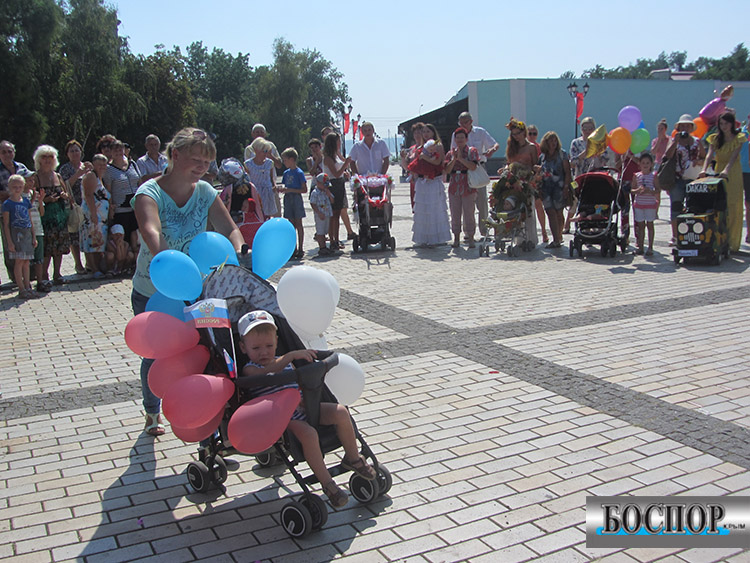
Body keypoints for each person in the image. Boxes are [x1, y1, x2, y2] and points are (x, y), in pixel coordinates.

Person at [132, 127, 243, 436]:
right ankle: (152, 411)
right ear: (176, 155)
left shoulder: (205, 191)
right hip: (153, 291)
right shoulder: (149, 193)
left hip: (197, 291)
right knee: (156, 355)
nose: (201, 168)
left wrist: (239, 251)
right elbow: (151, 231)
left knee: (206, 354)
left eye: (206, 162)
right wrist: (169, 265)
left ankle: (207, 435)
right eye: (196, 160)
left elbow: (229, 229)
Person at [237, 309, 375, 507]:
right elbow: (270, 370)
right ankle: (328, 484)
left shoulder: (286, 363)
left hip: (303, 408)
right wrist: (290, 356)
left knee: (340, 412)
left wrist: (302, 395)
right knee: (309, 434)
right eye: (256, 348)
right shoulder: (250, 369)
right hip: (281, 419)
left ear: (276, 341)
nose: (264, 352)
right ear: (243, 348)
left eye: (269, 346)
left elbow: (296, 384)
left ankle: (353, 458)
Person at [699, 111, 747, 253]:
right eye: (721, 123)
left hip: (733, 172)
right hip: (718, 171)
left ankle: (733, 242)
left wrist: (726, 171)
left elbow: (733, 157)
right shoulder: (715, 138)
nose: (724, 126)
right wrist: (704, 169)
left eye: (726, 123)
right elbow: (709, 155)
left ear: (732, 124)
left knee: (734, 205)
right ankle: (719, 239)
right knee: (719, 206)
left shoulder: (738, 138)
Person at [450, 112, 499, 238]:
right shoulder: (456, 134)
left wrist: (491, 150)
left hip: (478, 167)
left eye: (465, 122)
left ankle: (484, 230)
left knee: (481, 201)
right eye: (460, 123)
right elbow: (452, 151)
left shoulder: (480, 132)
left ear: (471, 121)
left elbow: (494, 144)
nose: (463, 125)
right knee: (466, 202)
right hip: (462, 170)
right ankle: (468, 232)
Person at [663, 114, 706, 246]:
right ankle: (675, 237)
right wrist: (675, 142)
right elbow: (667, 156)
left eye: (688, 126)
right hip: (677, 180)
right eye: (683, 126)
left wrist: (699, 162)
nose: (685, 128)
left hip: (693, 179)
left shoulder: (697, 141)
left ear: (691, 128)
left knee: (694, 208)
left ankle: (694, 234)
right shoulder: (674, 141)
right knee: (676, 207)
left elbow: (704, 158)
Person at [31, 145, 70, 287]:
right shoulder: (35, 177)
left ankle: (57, 274)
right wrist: (46, 200)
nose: (47, 159)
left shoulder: (57, 176)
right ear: (38, 159)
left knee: (59, 247)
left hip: (59, 216)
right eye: (44, 157)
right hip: (44, 216)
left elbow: (66, 193)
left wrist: (64, 195)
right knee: (46, 248)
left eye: (50, 157)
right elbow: (32, 197)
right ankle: (44, 275)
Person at [408, 123, 450, 248]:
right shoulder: (420, 146)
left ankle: (435, 238)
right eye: (424, 132)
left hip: (433, 180)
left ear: (433, 132)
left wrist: (424, 157)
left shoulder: (438, 145)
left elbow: (438, 161)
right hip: (422, 181)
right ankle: (424, 237)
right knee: (423, 210)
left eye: (428, 131)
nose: (425, 134)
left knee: (434, 208)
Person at [505, 118, 540, 247]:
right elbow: (509, 163)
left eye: (518, 133)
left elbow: (535, 164)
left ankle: (530, 238)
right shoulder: (511, 147)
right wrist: (506, 170)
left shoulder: (531, 147)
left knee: (528, 209)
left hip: (527, 181)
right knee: (515, 209)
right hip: (513, 180)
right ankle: (518, 238)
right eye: (513, 134)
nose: (516, 136)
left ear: (523, 132)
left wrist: (532, 177)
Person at [2, 174, 38, 299]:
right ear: (9, 187)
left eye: (20, 187)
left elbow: (30, 219)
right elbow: (6, 225)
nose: (17, 189)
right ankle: (21, 288)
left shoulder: (26, 202)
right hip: (16, 234)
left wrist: (34, 236)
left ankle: (28, 286)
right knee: (19, 261)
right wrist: (9, 242)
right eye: (14, 187)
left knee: (26, 261)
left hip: (27, 233)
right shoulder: (7, 204)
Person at [59, 140, 91, 275]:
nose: (74, 153)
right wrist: (78, 174)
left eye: (76, 150)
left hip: (88, 204)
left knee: (88, 234)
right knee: (74, 235)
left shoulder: (87, 166)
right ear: (67, 154)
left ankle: (90, 262)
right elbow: (65, 186)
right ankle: (78, 263)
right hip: (74, 205)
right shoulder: (65, 169)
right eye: (71, 151)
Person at [0, 140, 31, 283]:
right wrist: (12, 194)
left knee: (24, 243)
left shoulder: (21, 167)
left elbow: (31, 182)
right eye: (4, 152)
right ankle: (14, 276)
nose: (7, 154)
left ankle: (26, 275)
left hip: (23, 212)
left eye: (10, 151)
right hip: (6, 212)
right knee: (10, 244)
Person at [443, 127, 478, 248]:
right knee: (455, 213)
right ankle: (456, 238)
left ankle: (471, 237)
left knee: (469, 212)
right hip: (454, 185)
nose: (459, 140)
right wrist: (454, 159)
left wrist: (461, 159)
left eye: (462, 138)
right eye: (457, 138)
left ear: (466, 139)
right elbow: (447, 170)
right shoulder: (450, 153)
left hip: (468, 185)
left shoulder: (472, 151)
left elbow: (473, 166)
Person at [103, 139, 141, 252]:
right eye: (115, 150)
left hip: (136, 208)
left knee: (137, 237)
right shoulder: (109, 169)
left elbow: (140, 182)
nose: (118, 152)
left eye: (120, 149)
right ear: (111, 152)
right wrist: (111, 208)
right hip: (121, 209)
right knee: (124, 239)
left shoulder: (132, 164)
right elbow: (108, 190)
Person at [538, 131, 571, 248]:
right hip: (546, 188)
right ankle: (556, 239)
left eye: (555, 140)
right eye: (551, 141)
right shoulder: (542, 157)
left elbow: (567, 172)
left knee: (558, 213)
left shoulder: (562, 154)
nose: (553, 143)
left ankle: (559, 235)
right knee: (550, 212)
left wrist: (566, 187)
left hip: (559, 188)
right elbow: (539, 173)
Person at [80, 154, 111, 277]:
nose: (102, 167)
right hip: (92, 215)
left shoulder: (100, 178)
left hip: (101, 218)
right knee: (91, 242)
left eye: (104, 164)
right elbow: (88, 195)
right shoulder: (91, 176)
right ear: (94, 165)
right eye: (99, 164)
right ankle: (93, 268)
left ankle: (98, 267)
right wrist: (93, 214)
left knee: (98, 243)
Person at [322, 132, 351, 251]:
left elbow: (339, 172)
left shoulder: (336, 156)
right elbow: (335, 173)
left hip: (340, 184)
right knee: (333, 215)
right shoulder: (328, 158)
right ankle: (332, 239)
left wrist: (345, 173)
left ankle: (336, 239)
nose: (340, 143)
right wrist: (346, 164)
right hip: (333, 185)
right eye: (338, 141)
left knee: (338, 214)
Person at [280, 147, 307, 259]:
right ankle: (293, 248)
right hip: (288, 199)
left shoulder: (299, 172)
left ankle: (300, 248)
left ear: (292, 159)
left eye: (285, 160)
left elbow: (304, 189)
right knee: (291, 224)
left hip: (296, 198)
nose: (284, 162)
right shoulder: (286, 173)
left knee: (298, 223)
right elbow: (284, 185)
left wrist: (290, 190)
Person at [632, 152, 660, 256]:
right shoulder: (636, 175)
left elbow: (658, 190)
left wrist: (650, 191)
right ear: (639, 164)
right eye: (643, 163)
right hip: (639, 204)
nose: (645, 165)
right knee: (640, 226)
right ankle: (640, 246)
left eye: (647, 163)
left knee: (650, 225)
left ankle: (650, 247)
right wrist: (638, 190)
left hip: (650, 204)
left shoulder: (654, 176)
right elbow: (632, 189)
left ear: (651, 164)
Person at [23, 175, 46, 293]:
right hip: (26, 231)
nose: (30, 183)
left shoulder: (35, 194)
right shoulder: (20, 196)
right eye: (27, 180)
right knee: (26, 259)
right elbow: (25, 211)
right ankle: (26, 284)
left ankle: (40, 281)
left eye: (32, 180)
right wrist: (32, 200)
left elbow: (41, 213)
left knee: (39, 258)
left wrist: (40, 201)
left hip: (38, 229)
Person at [244, 138, 278, 217]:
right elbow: (246, 179)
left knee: (267, 216)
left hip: (267, 192)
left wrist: (274, 186)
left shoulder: (269, 163)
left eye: (267, 151)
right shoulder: (248, 164)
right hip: (255, 193)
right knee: (257, 215)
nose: (266, 154)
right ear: (256, 150)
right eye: (264, 151)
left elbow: (271, 177)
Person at [401, 122, 424, 212]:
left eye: (419, 132)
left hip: (424, 180)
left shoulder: (428, 147)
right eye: (415, 133)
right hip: (413, 181)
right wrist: (403, 158)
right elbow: (407, 167)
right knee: (415, 206)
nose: (417, 135)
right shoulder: (412, 149)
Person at [310, 173, 335, 257]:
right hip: (320, 215)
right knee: (320, 231)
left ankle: (324, 246)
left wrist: (329, 194)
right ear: (318, 183)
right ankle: (322, 247)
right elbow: (313, 204)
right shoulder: (315, 193)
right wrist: (318, 213)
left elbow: (332, 201)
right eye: (324, 184)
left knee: (325, 230)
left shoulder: (326, 191)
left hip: (327, 214)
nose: (325, 186)